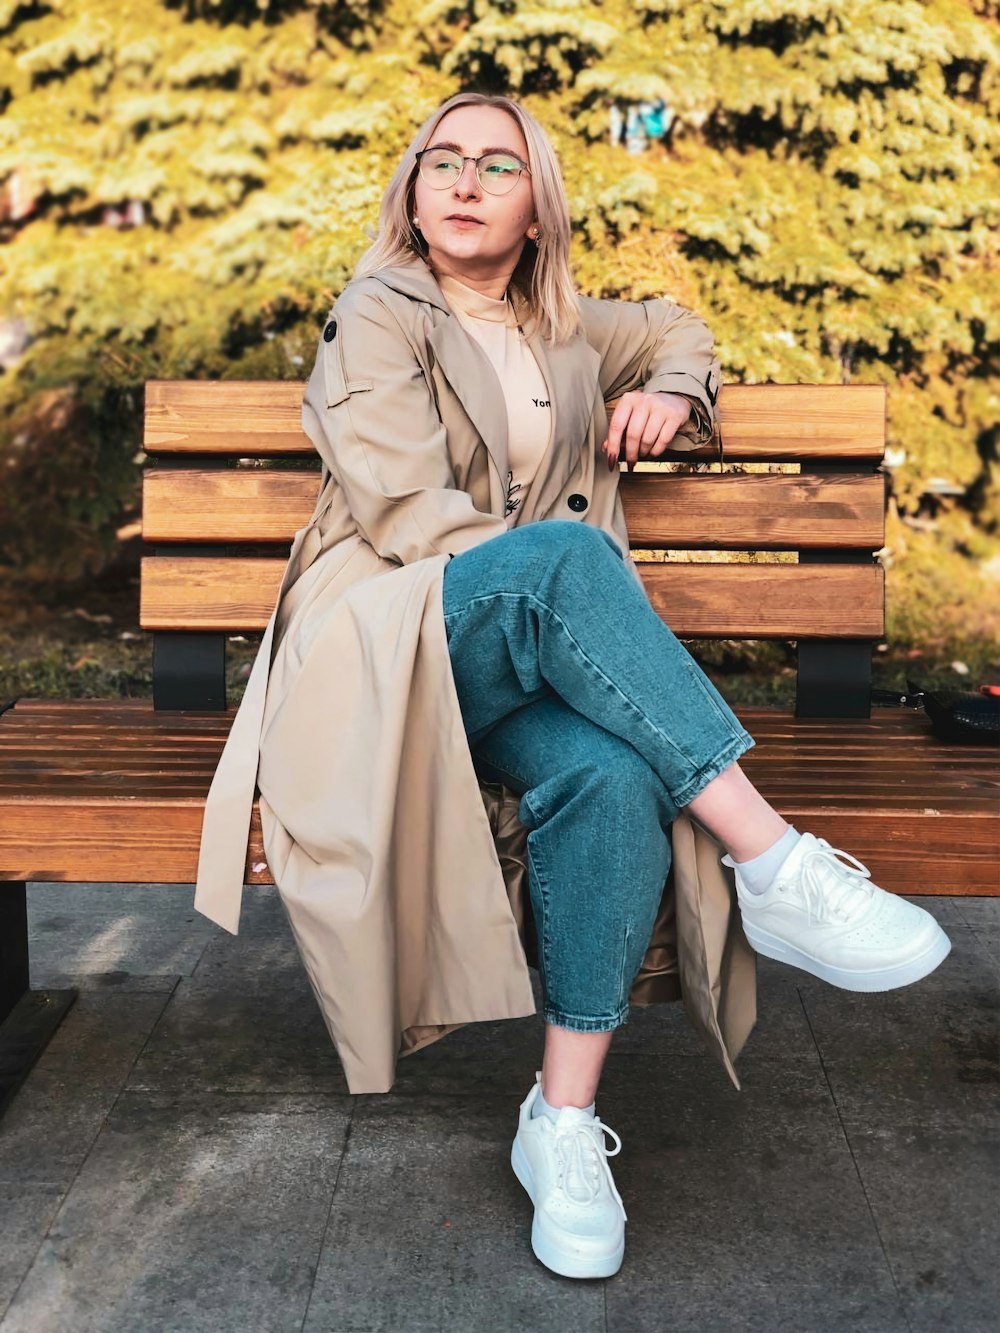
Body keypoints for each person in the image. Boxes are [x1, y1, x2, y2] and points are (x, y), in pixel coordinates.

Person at [193, 91, 951, 1282]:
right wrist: (540, 569)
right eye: (441, 160)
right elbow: (404, 510)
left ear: (535, 206)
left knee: (607, 777)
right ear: (411, 189)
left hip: (504, 665)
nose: (462, 180)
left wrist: (673, 393)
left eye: (495, 166)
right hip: (387, 639)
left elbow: (677, 326)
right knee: (560, 557)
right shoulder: (377, 316)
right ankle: (776, 863)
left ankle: (559, 1123)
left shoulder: (566, 331)